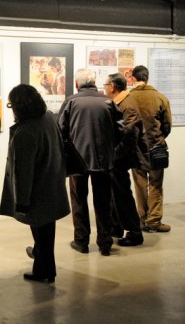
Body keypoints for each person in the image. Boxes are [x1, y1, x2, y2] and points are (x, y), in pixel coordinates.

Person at [0, 84, 69, 284]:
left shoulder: (25, 132)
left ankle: (44, 270)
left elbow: (23, 170)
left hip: (37, 191)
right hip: (51, 184)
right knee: (46, 232)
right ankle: (44, 267)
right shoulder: (47, 117)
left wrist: (21, 202)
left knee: (41, 232)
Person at [58, 69, 122, 256]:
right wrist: (111, 149)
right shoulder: (108, 101)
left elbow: (60, 130)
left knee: (79, 201)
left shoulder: (71, 101)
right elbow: (121, 130)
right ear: (94, 83)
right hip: (103, 160)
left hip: (77, 161)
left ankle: (81, 241)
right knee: (103, 202)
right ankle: (105, 243)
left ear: (77, 84)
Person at [103, 73, 146, 246]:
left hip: (120, 158)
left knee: (122, 195)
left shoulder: (127, 104)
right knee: (116, 193)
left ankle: (135, 232)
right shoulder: (120, 102)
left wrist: (114, 155)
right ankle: (116, 227)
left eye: (105, 84)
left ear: (112, 86)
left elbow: (130, 134)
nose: (104, 87)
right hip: (118, 157)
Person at [129, 65, 172, 233]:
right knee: (156, 184)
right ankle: (154, 221)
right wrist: (158, 137)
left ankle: (142, 219)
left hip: (135, 149)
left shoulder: (127, 98)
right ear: (147, 78)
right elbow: (167, 125)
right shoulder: (160, 97)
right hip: (156, 147)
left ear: (133, 78)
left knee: (140, 185)